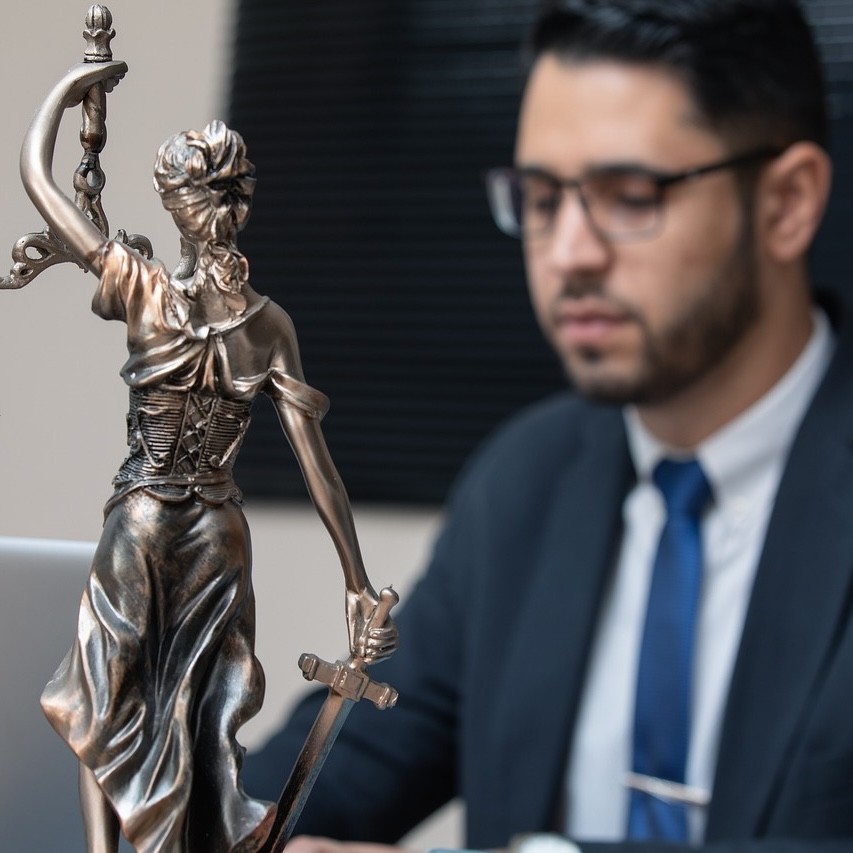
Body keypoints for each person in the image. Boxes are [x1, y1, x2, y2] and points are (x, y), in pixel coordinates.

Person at [241, 0, 853, 851]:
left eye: (629, 195)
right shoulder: (529, 478)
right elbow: (328, 770)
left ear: (787, 202)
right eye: (539, 197)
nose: (567, 252)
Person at [16, 60, 397, 853]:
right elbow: (317, 466)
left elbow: (37, 174)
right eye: (217, 194)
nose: (226, 209)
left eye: (228, 192)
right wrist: (356, 582)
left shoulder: (160, 292)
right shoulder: (234, 313)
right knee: (148, 699)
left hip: (165, 522)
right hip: (195, 528)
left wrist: (74, 87)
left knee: (138, 697)